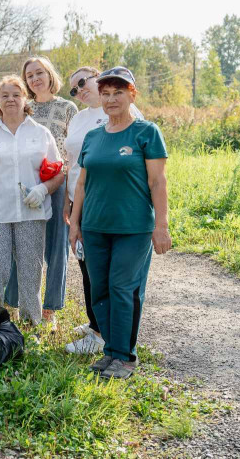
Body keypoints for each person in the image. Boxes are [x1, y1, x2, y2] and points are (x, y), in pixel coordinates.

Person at [69, 66, 170, 379]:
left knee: (123, 287)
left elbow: (158, 182)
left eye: (118, 93)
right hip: (95, 227)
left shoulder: (146, 133)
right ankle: (110, 351)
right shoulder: (93, 137)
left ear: (132, 95)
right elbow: (82, 183)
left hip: (133, 228)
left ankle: (125, 357)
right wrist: (75, 223)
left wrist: (161, 226)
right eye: (107, 93)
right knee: (100, 288)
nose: (111, 99)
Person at [0, 76, 64, 325]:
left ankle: (32, 324)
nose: (10, 99)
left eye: (15, 94)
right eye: (5, 95)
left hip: (32, 215)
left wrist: (43, 190)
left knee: (31, 273)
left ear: (25, 99)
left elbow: (58, 173)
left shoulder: (41, 133)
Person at [63, 66, 144, 354]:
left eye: (83, 82)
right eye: (73, 88)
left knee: (115, 277)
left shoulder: (127, 117)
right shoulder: (78, 120)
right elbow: (72, 164)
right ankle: (95, 322)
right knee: (88, 269)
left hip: (113, 205)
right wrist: (68, 203)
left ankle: (104, 336)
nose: (80, 89)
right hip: (80, 200)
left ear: (100, 78)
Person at [4, 56, 78, 328]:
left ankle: (50, 310)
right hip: (25, 183)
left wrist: (70, 192)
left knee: (57, 247)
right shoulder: (25, 107)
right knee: (19, 245)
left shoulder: (67, 108)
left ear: (49, 75)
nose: (35, 79)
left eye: (39, 73)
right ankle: (13, 302)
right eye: (30, 76)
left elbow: (74, 151)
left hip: (58, 183)